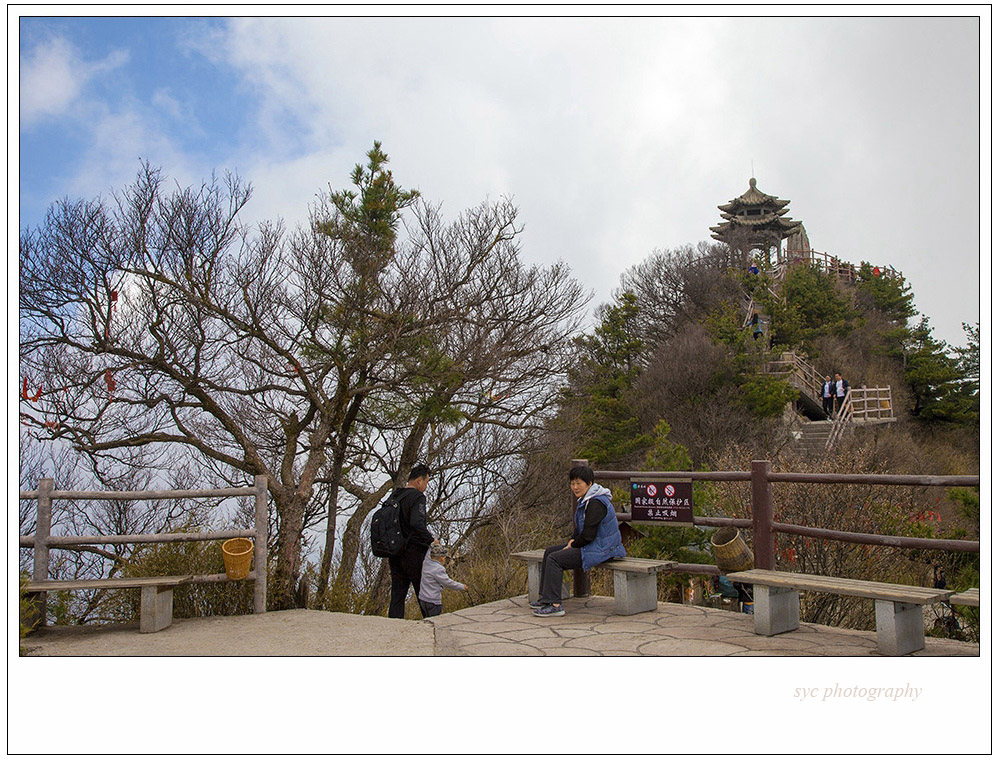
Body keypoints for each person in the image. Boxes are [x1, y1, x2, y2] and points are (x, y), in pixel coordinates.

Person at [532, 464, 626, 617]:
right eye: (572, 483)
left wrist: (573, 545)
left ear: (589, 483)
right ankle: (546, 598)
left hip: (604, 548)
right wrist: (572, 541)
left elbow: (589, 535)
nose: (574, 487)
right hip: (594, 545)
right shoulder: (587, 499)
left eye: (578, 483)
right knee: (550, 551)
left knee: (555, 559)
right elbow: (580, 529)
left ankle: (555, 605)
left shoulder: (596, 503)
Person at [388, 463, 436, 619]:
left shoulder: (395, 496)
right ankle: (432, 625)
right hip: (414, 552)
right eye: (426, 482)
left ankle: (393, 628)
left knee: (397, 595)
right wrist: (432, 540)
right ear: (419, 481)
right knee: (424, 592)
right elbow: (417, 524)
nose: (426, 486)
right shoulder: (417, 497)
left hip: (394, 551)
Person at [418, 543, 466, 617]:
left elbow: (428, 551)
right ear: (442, 558)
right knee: (434, 622)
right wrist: (461, 586)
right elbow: (447, 583)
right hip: (433, 601)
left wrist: (432, 542)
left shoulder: (426, 562)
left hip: (423, 599)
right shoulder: (439, 569)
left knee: (427, 620)